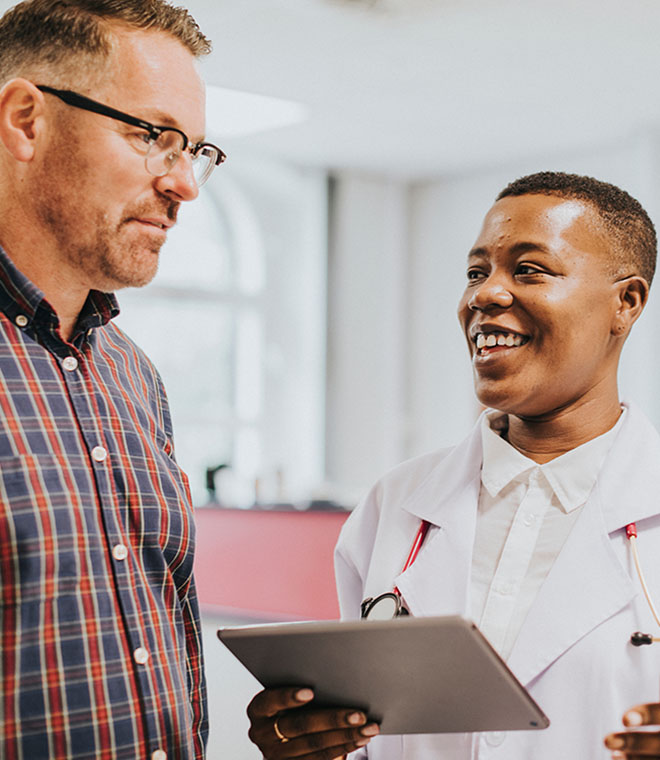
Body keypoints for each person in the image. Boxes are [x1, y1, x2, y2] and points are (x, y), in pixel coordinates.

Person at [247, 171, 660, 759]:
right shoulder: (396, 502)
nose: (484, 295)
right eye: (476, 272)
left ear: (627, 301)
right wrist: (312, 745)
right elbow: (361, 733)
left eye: (529, 270)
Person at [0, 1, 225, 757]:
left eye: (195, 150)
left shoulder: (134, 377)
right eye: (154, 137)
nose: (184, 185)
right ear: (27, 120)